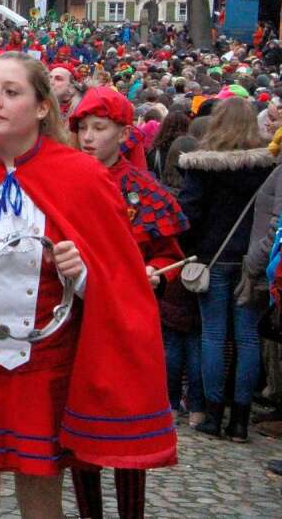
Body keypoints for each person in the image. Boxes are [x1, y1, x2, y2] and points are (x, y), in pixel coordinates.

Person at [0, 51, 176, 519]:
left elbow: (119, 288)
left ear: (43, 106)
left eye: (11, 92)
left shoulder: (83, 178)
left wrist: (81, 272)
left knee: (42, 506)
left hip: (48, 365)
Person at [70, 87, 190, 519]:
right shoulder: (63, 180)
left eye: (98, 128)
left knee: (126, 433)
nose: (88, 137)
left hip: (126, 326)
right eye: (82, 128)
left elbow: (169, 255)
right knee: (77, 435)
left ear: (123, 133)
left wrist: (155, 273)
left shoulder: (143, 189)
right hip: (74, 321)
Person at [178, 96, 275, 442]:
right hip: (252, 259)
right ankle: (240, 420)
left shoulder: (202, 167)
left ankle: (213, 414)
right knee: (247, 338)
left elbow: (188, 215)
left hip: (212, 257)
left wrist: (189, 250)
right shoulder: (266, 166)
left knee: (214, 335)